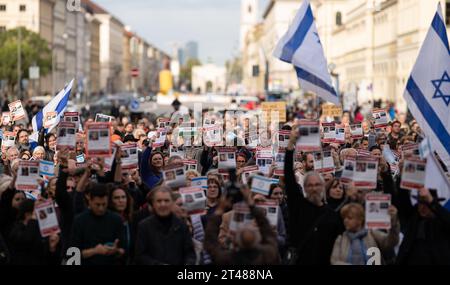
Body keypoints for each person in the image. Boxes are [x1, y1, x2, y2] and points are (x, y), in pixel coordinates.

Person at [284, 126, 344, 265]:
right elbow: (288, 178)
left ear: (323, 187)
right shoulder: (298, 206)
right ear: (304, 187)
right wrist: (290, 145)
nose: (314, 189)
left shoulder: (331, 214)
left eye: (317, 185)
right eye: (310, 185)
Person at [204, 189, 280, 265]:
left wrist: (219, 210)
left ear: (236, 240)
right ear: (258, 238)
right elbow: (269, 234)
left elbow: (210, 241)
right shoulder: (267, 255)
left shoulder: (226, 258)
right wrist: (252, 207)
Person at [134, 185, 196, 265]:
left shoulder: (181, 225)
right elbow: (140, 256)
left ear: (172, 203)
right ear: (153, 204)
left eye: (166, 201)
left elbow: (190, 253)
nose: (163, 204)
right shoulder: (144, 226)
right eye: (159, 201)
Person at [70, 184, 126, 265]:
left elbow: (123, 250)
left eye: (104, 204)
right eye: (97, 204)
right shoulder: (79, 221)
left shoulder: (116, 219)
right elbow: (73, 254)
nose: (101, 208)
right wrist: (95, 251)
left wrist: (115, 250)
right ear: (90, 201)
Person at [331, 203, 399, 265]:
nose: (345, 221)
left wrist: (393, 222)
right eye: (344, 218)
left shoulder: (372, 234)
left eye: (349, 218)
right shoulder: (340, 239)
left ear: (360, 220)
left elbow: (392, 241)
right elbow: (334, 261)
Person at [395, 187, 450, 265]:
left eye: (426, 204)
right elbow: (402, 201)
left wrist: (431, 202)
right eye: (420, 203)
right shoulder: (414, 218)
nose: (423, 207)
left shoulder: (441, 222)